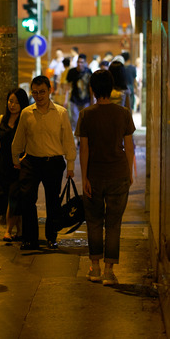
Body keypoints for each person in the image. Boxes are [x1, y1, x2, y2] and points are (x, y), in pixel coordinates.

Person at [75, 70, 135, 286]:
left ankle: (95, 267)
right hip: (118, 174)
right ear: (111, 88)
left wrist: (85, 179)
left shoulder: (86, 115)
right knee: (113, 223)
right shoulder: (124, 113)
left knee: (93, 222)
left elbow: (84, 150)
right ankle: (109, 271)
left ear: (92, 89)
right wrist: (129, 172)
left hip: (95, 176)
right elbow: (129, 147)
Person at [12, 75, 76, 250]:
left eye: (42, 92)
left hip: (53, 162)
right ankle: (30, 238)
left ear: (50, 91)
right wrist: (15, 159)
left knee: (52, 202)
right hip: (31, 162)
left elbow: (68, 141)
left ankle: (51, 237)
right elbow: (18, 139)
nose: (38, 96)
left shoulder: (61, 113)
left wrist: (70, 166)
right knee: (27, 199)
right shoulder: (26, 113)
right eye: (35, 92)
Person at [0, 88, 29, 242]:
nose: (13, 105)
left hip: (18, 164)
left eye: (17, 102)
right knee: (3, 197)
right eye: (11, 101)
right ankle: (19, 230)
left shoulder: (25, 119)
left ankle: (8, 230)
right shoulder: (1, 120)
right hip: (3, 164)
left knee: (14, 196)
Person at [66, 53, 92, 132]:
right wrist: (65, 100)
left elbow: (91, 86)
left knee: (86, 121)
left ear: (85, 63)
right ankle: (75, 141)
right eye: (78, 62)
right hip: (74, 99)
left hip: (86, 100)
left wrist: (92, 100)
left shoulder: (89, 72)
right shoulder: (72, 72)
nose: (79, 64)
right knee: (74, 121)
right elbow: (67, 86)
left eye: (81, 62)